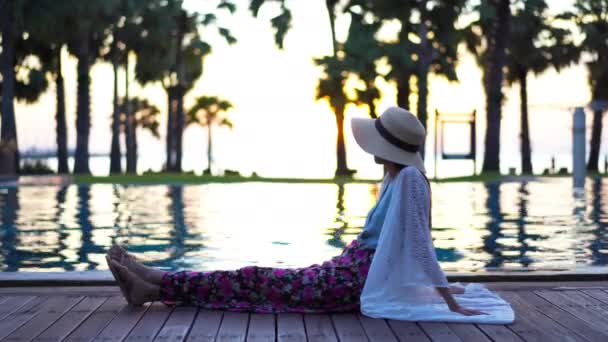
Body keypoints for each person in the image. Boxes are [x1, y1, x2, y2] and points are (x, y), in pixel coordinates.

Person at [106, 107, 492, 317]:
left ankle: (156, 283)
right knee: (254, 278)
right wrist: (435, 291)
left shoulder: (408, 179)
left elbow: (422, 247)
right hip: (345, 270)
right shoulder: (395, 177)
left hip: (351, 284)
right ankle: (152, 280)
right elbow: (403, 246)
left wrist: (450, 301)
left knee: (254, 278)